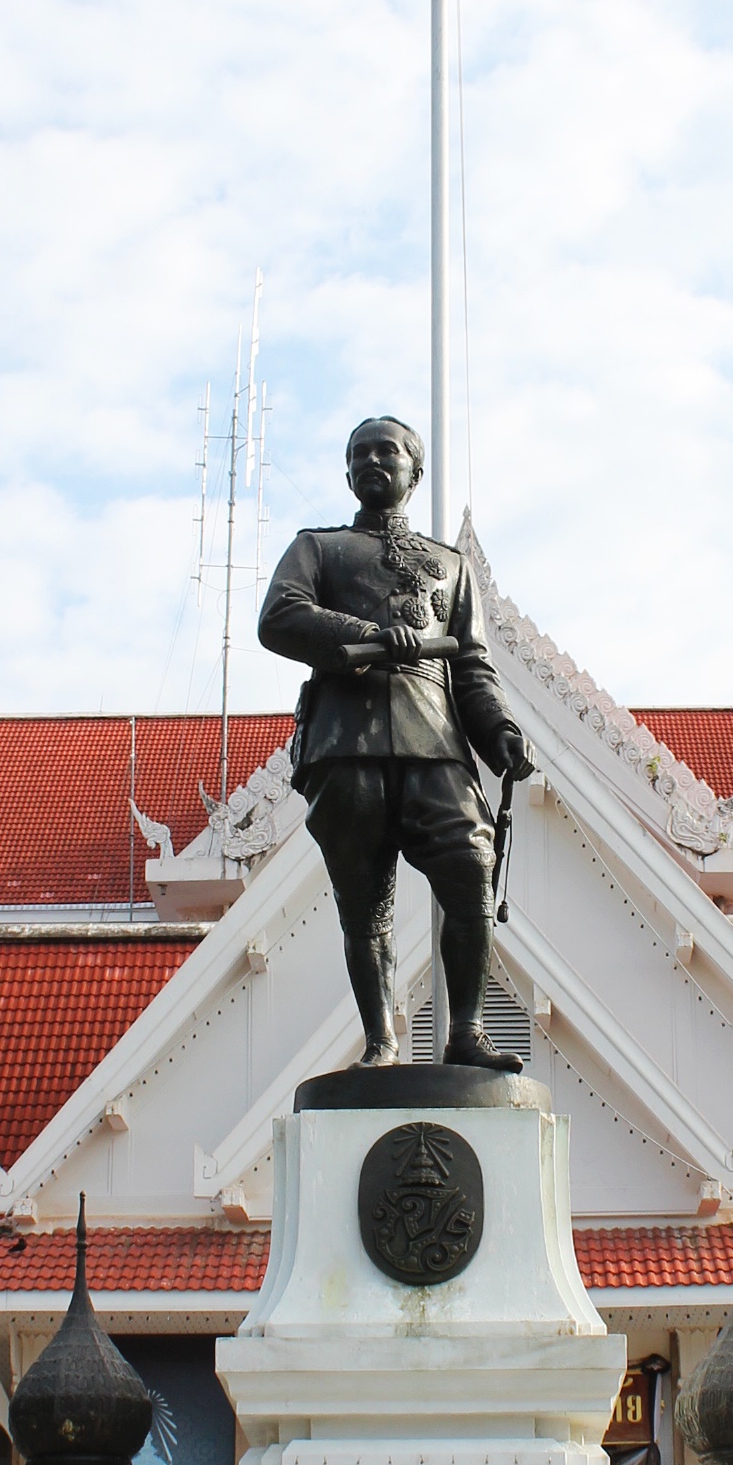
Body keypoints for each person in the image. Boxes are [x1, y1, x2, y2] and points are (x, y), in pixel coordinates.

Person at [258, 416, 533, 1071]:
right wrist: (369, 635)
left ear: (414, 470)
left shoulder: (449, 567)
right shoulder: (319, 549)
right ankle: (382, 1042)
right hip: (344, 748)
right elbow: (280, 616)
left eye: (387, 451)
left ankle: (466, 1029)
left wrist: (499, 734)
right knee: (366, 908)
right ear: (348, 473)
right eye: (359, 454)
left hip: (434, 742)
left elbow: (470, 667)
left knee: (472, 876)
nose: (372, 461)